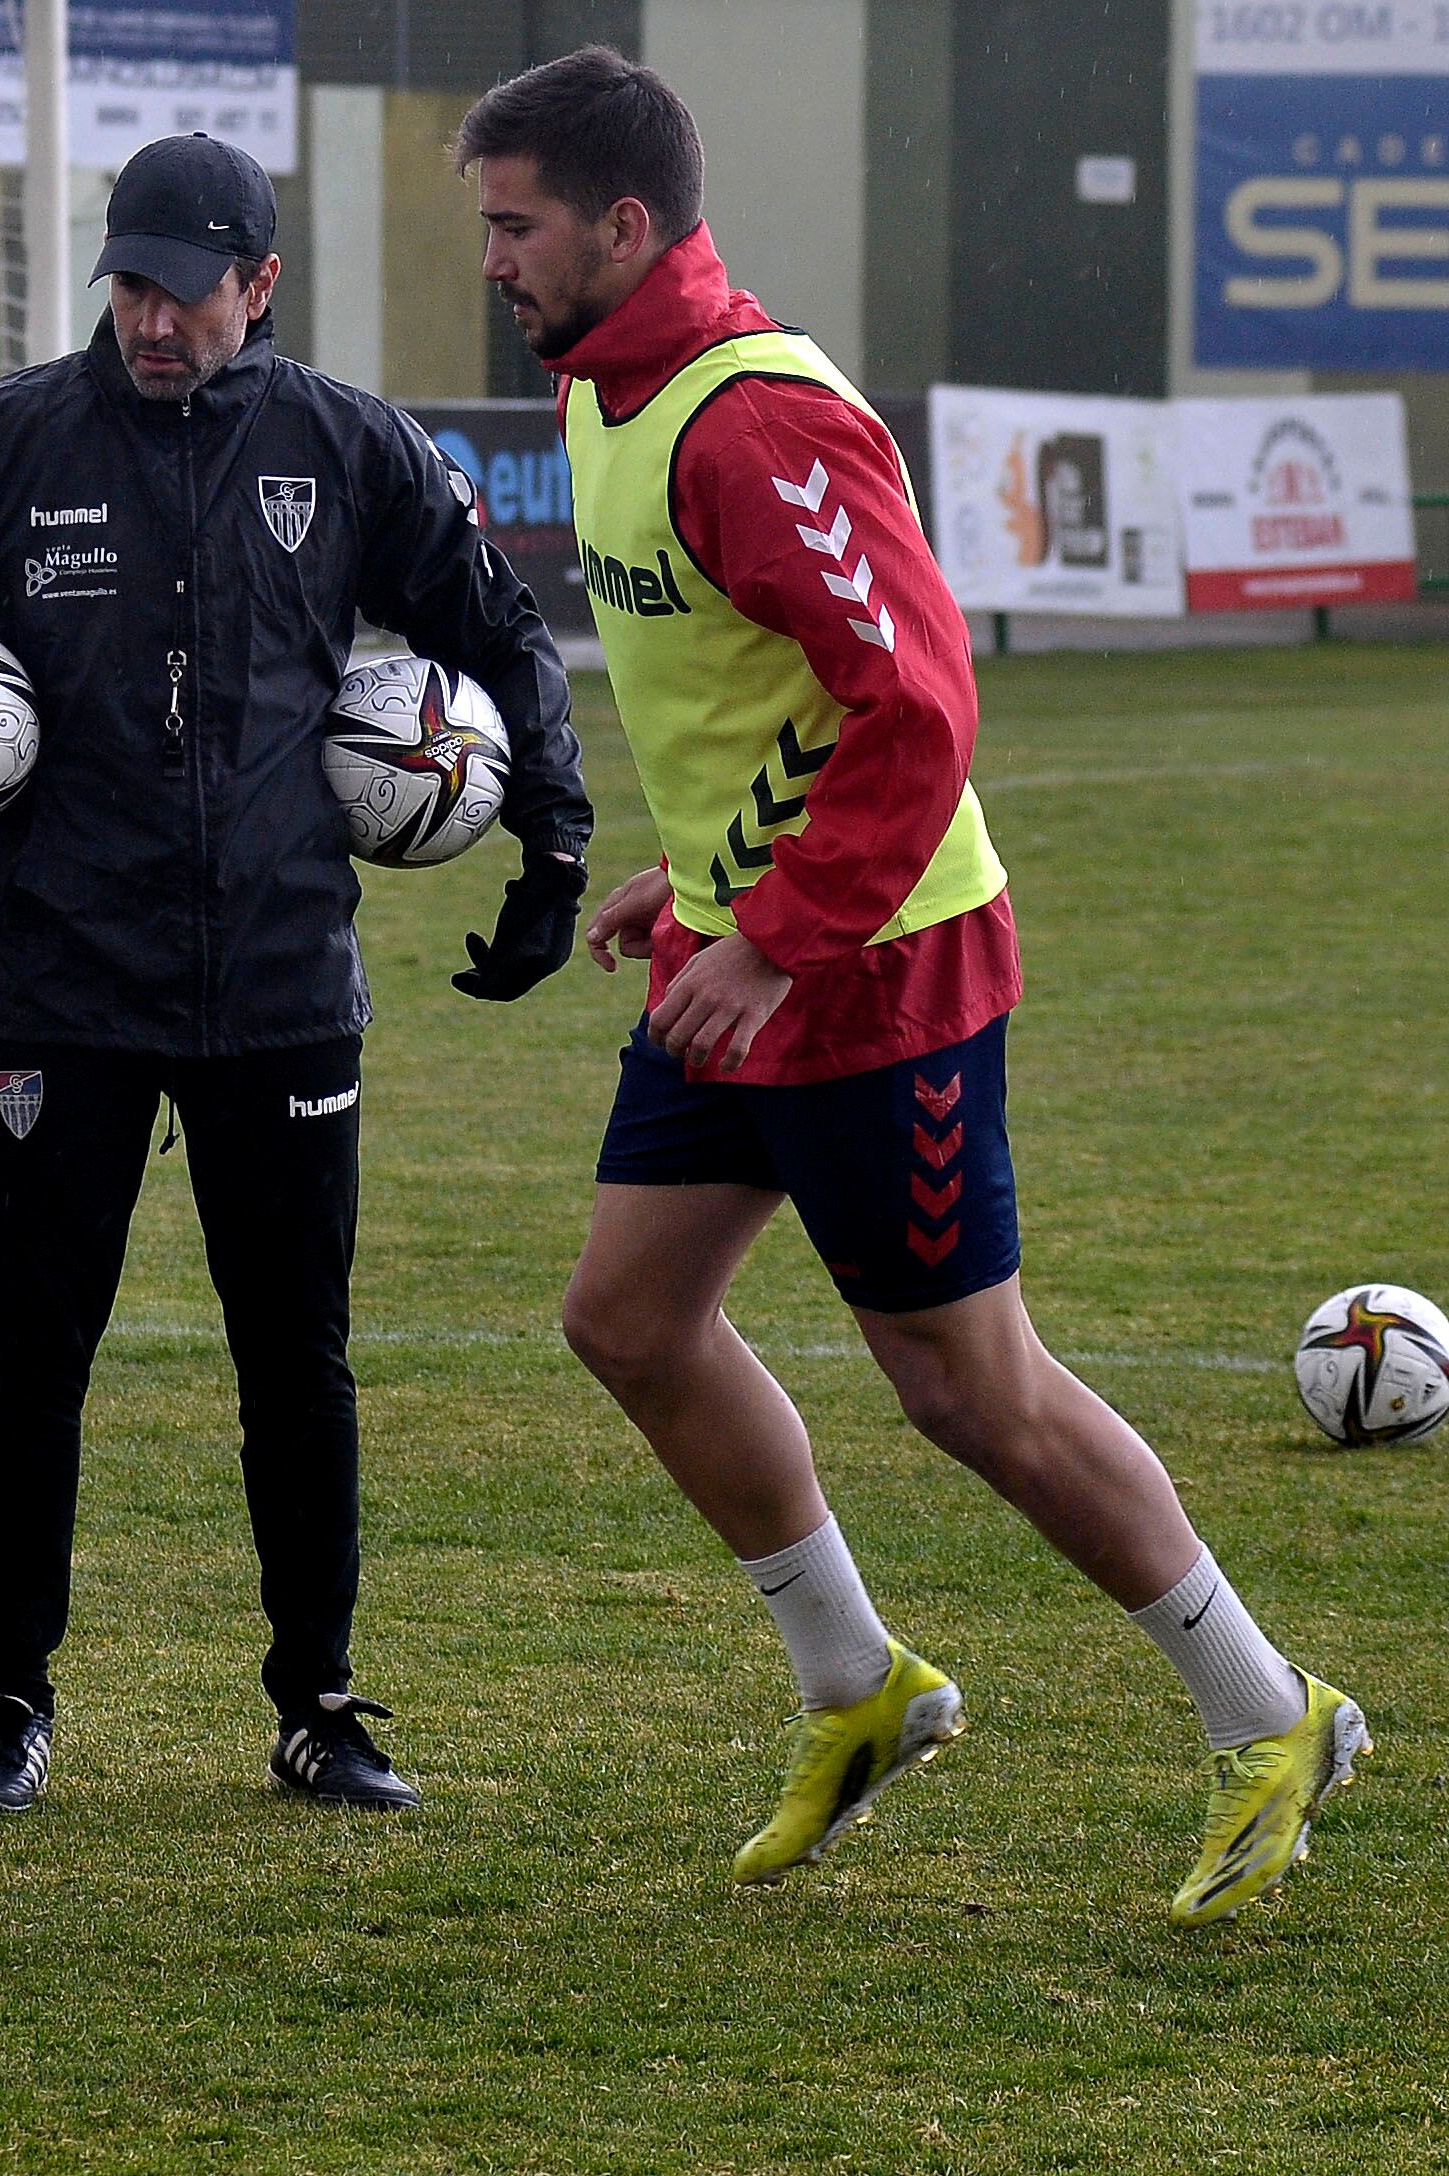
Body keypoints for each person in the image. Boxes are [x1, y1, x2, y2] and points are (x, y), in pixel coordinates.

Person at [464, 47, 1365, 1924]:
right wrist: (694, 879)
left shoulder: (750, 422)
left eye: (515, 224)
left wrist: (782, 930)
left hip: (874, 974)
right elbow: (763, 701)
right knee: (628, 1322)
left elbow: (920, 704)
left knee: (971, 1391)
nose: (494, 258)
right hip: (747, 953)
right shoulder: (608, 391)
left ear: (624, 226)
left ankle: (1272, 1713)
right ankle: (862, 1688)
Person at [0, 132, 592, 1817]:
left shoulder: (347, 449)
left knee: (299, 1357)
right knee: (32, 1351)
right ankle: (5, 1701)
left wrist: (553, 840)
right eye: (129, 283)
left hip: (283, 980)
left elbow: (503, 634)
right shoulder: (3, 444)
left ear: (258, 284)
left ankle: (323, 1704)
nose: (151, 317)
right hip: (60, 983)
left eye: (185, 288)